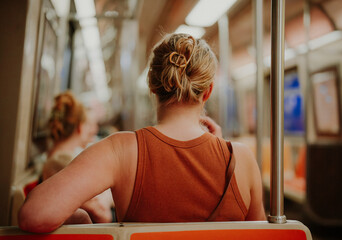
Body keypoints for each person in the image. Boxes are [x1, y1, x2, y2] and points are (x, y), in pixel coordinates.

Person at [19, 33, 265, 233]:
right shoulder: (242, 159)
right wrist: (219, 149)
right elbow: (263, 236)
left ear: (151, 85)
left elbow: (34, 215)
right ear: (208, 91)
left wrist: (83, 221)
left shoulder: (121, 149)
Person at [41, 91, 114, 223]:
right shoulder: (62, 162)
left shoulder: (57, 157)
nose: (94, 130)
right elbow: (102, 215)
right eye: (89, 124)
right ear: (80, 127)